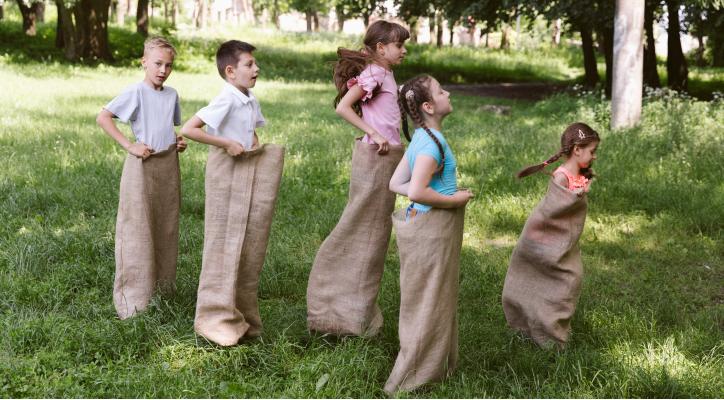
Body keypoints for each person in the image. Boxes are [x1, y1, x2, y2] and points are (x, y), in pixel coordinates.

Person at [306, 20, 410, 336]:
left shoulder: (386, 74)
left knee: (374, 233)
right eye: (399, 46)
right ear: (381, 48)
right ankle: (333, 306)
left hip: (386, 158)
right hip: (375, 158)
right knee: (361, 227)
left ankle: (354, 312)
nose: (404, 51)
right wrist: (373, 133)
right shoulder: (376, 73)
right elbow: (344, 108)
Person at [181, 40, 285, 346]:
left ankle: (241, 313)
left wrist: (252, 142)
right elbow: (190, 129)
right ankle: (214, 315)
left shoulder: (249, 98)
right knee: (223, 238)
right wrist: (226, 143)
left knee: (248, 240)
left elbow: (252, 131)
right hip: (225, 172)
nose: (256, 69)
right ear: (231, 71)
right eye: (249, 64)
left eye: (255, 64)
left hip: (246, 168)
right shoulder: (226, 98)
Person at [384, 74, 473, 394]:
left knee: (431, 296)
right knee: (430, 300)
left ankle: (435, 364)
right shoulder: (433, 145)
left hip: (426, 225)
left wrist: (439, 189)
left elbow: (397, 184)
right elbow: (418, 192)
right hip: (432, 229)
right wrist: (453, 199)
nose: (447, 92)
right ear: (428, 106)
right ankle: (414, 376)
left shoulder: (423, 137)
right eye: (440, 90)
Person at [96, 36, 186, 320]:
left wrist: (178, 140)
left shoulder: (171, 95)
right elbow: (103, 117)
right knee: (137, 227)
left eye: (168, 65)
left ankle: (162, 289)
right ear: (144, 62)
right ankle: (134, 298)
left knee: (165, 224)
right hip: (142, 166)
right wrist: (129, 145)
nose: (163, 70)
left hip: (167, 166)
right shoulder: (136, 92)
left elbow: (166, 127)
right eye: (157, 63)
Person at [502, 122, 600, 349]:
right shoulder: (561, 176)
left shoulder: (578, 175)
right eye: (591, 151)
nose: (594, 157)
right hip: (546, 241)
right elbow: (553, 209)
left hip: (566, 244)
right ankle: (543, 333)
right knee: (557, 279)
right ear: (577, 150)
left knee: (569, 281)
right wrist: (574, 196)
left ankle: (550, 329)